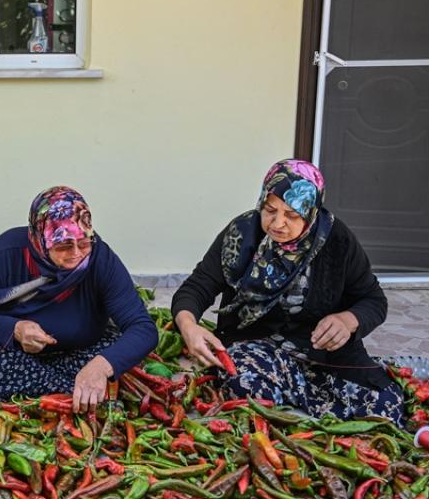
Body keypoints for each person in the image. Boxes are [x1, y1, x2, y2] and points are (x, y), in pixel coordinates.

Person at [170, 159, 404, 422]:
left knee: (387, 405)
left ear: (311, 212)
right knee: (247, 394)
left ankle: (296, 404)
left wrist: (348, 320)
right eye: (270, 210)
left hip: (324, 356)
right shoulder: (242, 233)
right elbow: (198, 286)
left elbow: (373, 300)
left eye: (292, 215)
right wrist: (189, 325)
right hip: (256, 349)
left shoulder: (338, 241)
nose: (277, 223)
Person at [0, 186, 158, 411]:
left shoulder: (100, 259)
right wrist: (16, 329)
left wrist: (100, 367)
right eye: (64, 245)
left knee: (126, 356)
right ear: (40, 239)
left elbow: (143, 328)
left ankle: (54, 389)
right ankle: (70, 390)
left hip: (80, 350)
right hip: (15, 351)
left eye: (85, 242)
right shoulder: (7, 253)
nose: (77, 254)